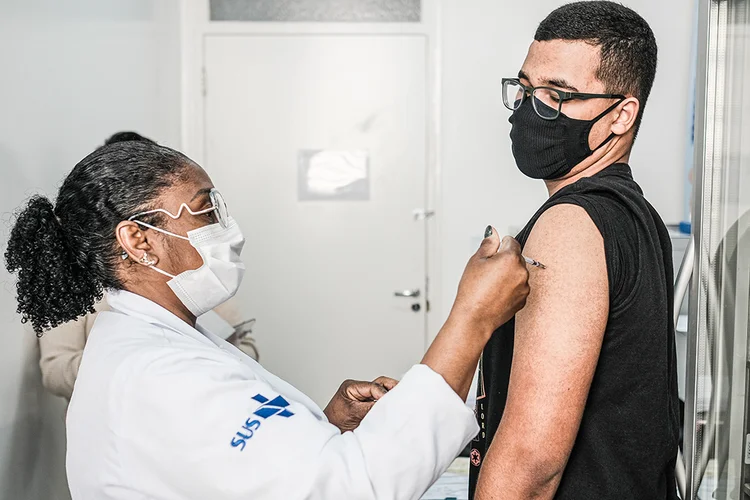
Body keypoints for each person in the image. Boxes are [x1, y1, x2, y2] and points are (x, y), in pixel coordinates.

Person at [4, 140, 530, 499]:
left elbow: (232, 468)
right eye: (206, 210)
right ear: (139, 240)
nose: (228, 228)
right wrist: (473, 317)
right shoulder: (154, 372)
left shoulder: (170, 334)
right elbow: (349, 490)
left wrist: (321, 425)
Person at [469, 2, 679, 499]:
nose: (530, 109)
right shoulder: (636, 216)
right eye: (525, 88)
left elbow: (532, 462)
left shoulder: (570, 225)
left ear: (621, 115)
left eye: (557, 95)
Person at [37, 131, 258, 402]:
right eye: (205, 213)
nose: (222, 227)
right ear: (136, 237)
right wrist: (141, 366)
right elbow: (56, 369)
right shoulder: (130, 346)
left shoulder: (201, 281)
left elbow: (244, 347)